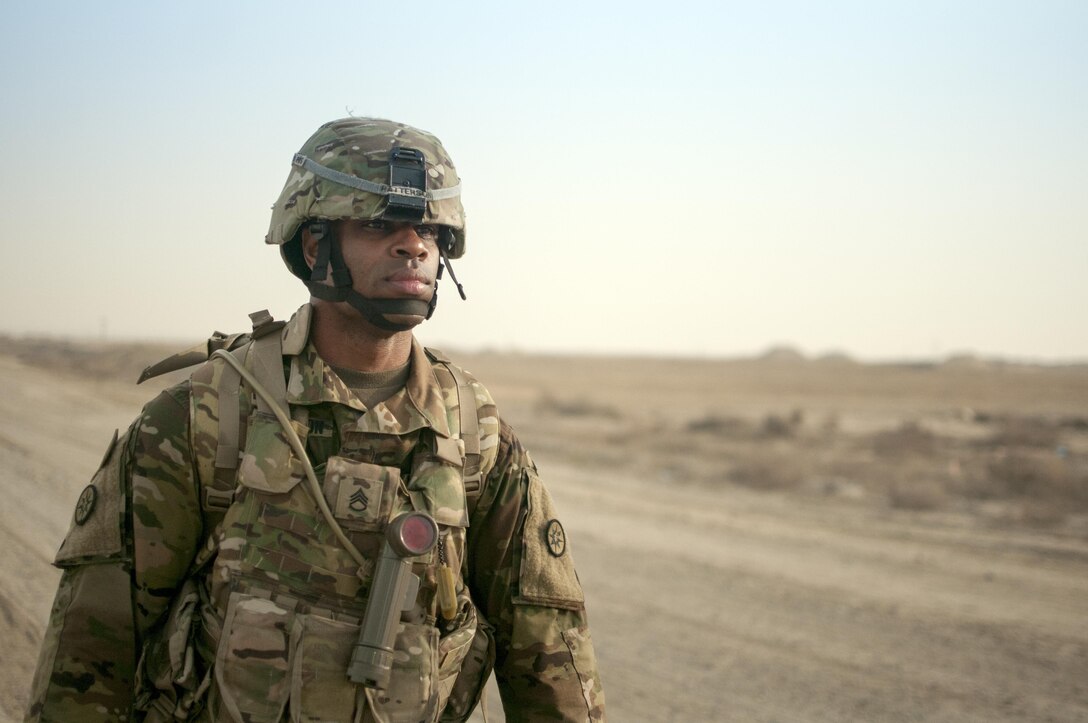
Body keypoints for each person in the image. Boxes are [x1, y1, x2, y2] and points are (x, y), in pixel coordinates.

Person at [26, 117, 605, 722]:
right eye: (379, 225)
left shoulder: (473, 434)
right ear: (314, 245)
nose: (414, 245)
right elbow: (94, 647)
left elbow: (548, 653)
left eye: (429, 228)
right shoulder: (210, 414)